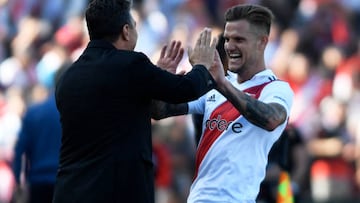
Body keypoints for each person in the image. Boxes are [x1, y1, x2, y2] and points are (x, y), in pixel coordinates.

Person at [52, 0, 222, 203]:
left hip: (70, 191)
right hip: (117, 192)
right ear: (126, 31)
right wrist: (202, 66)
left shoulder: (68, 77)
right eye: (134, 25)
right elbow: (187, 89)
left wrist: (156, 79)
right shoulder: (131, 64)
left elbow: (114, 109)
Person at [151, 4, 294, 202]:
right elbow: (159, 111)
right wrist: (161, 81)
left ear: (262, 42)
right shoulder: (215, 86)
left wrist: (221, 83)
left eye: (239, 39)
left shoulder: (275, 89)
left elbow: (271, 119)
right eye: (227, 39)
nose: (229, 46)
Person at [11, 65, 69, 203]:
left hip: (38, 182)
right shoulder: (74, 113)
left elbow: (19, 151)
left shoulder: (33, 112)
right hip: (66, 181)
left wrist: (19, 182)